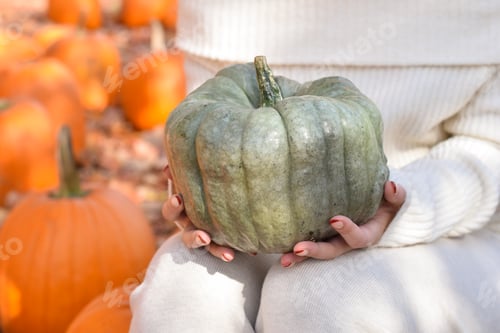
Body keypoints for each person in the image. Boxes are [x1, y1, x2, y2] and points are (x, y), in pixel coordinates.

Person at [130, 1, 500, 332]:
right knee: (180, 292)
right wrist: (203, 199)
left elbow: (491, 145)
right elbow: (207, 129)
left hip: (449, 220)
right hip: (259, 230)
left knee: (315, 298)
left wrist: (400, 205)